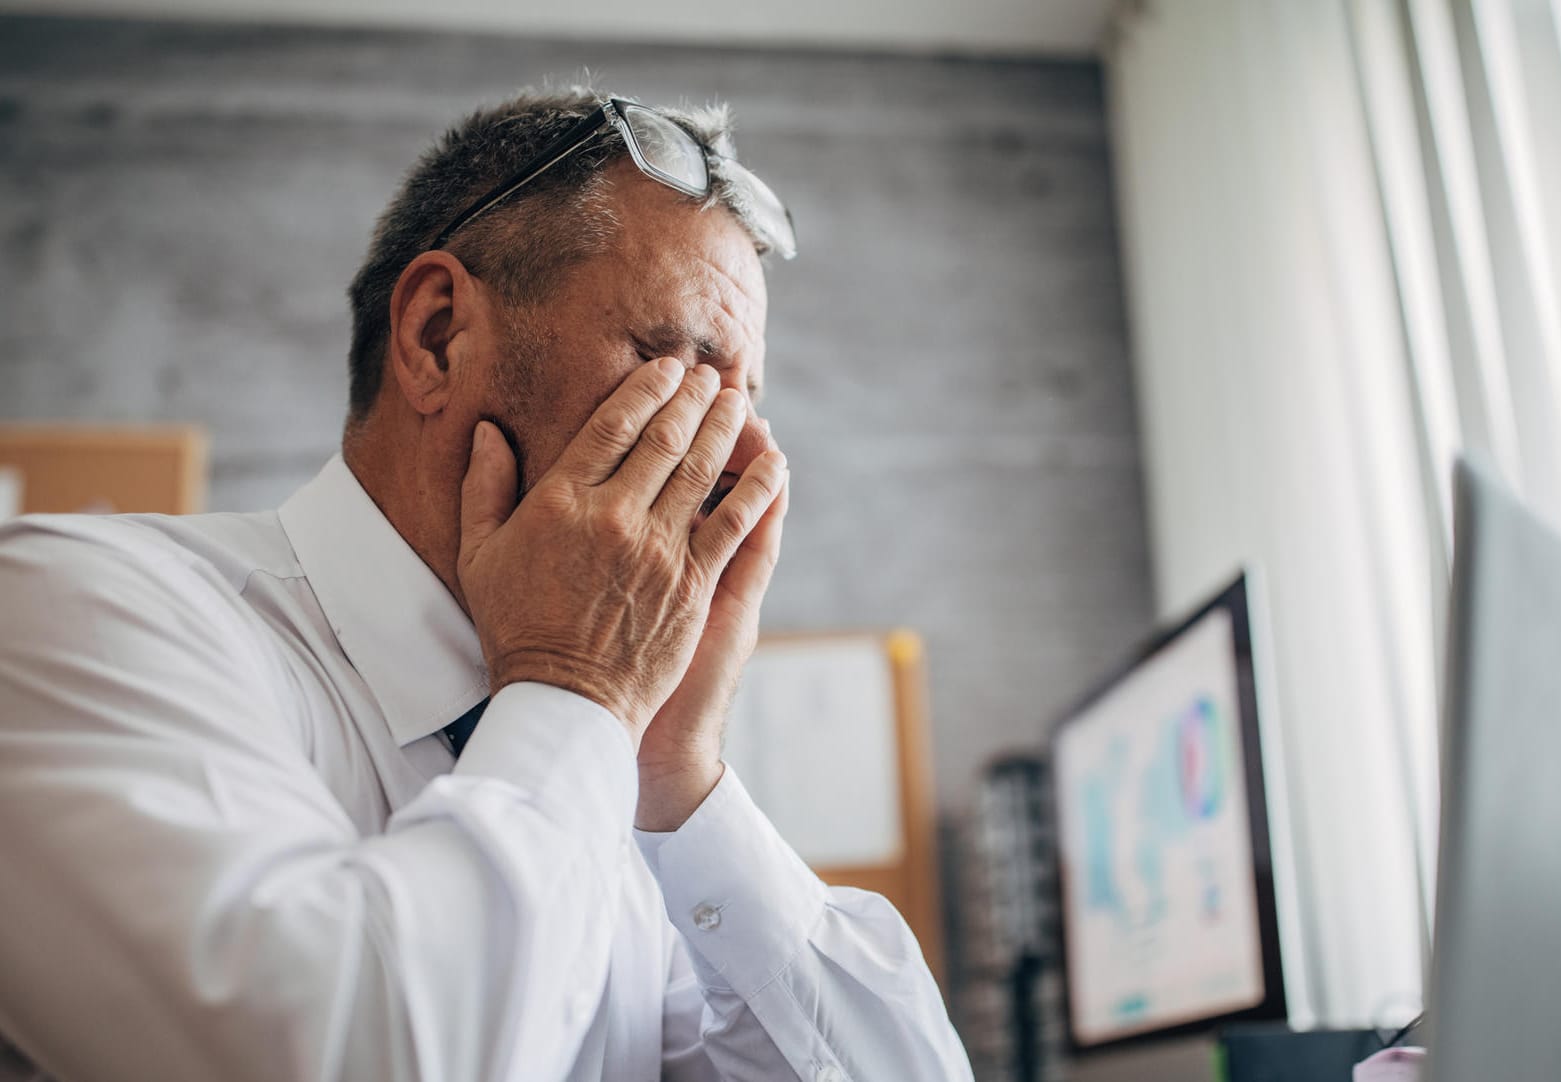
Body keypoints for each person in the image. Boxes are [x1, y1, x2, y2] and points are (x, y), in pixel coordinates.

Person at [0, 89, 972, 1081]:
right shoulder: (72, 612)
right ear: (435, 337)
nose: (736, 456)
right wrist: (576, 681)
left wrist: (680, 776)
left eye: (744, 401)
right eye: (673, 364)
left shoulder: (613, 790)